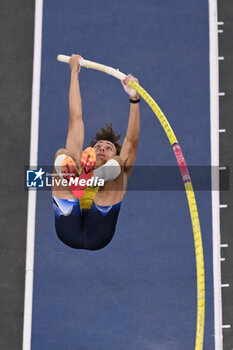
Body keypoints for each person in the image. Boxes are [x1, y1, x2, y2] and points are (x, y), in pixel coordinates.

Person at [52, 54, 140, 250]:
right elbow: (76, 117)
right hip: (68, 225)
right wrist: (74, 72)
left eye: (108, 148)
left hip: (98, 234)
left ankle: (89, 178)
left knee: (119, 166)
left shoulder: (118, 163)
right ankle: (81, 179)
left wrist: (134, 97)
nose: (101, 149)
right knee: (62, 154)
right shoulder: (78, 160)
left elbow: (131, 140)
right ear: (90, 152)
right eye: (98, 146)